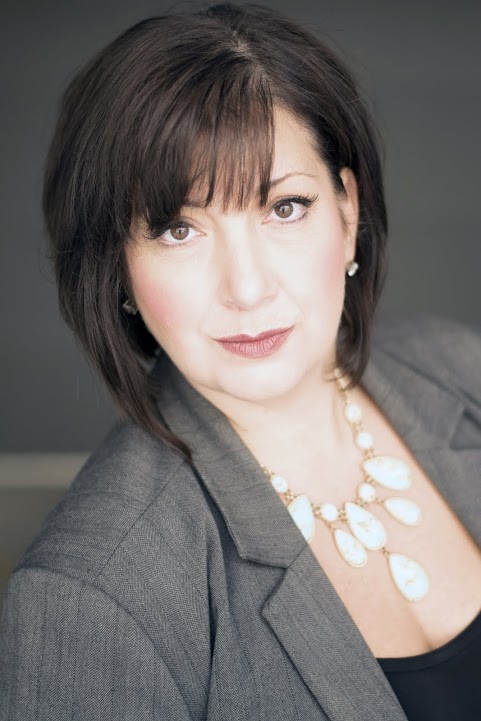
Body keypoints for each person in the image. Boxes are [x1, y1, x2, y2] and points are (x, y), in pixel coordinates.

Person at [1, 2, 480, 719]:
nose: (248, 288)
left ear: (347, 211)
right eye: (178, 228)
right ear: (116, 267)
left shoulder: (462, 368)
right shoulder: (89, 598)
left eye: (285, 207)